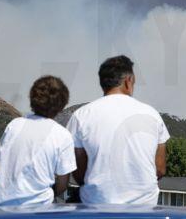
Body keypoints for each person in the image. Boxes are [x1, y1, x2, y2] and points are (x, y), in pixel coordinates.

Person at [67, 55, 169, 205]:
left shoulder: (81, 116)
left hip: (96, 206)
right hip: (144, 209)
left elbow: (78, 171)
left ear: (102, 84)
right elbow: (160, 169)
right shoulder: (152, 115)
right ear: (128, 81)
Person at [0, 76, 77, 206]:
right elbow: (63, 184)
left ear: (32, 98)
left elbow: (3, 165)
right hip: (35, 211)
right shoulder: (62, 135)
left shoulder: (14, 125)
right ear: (62, 104)